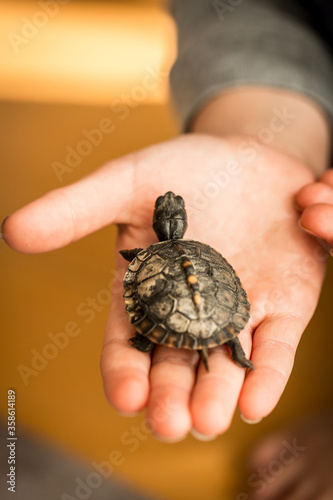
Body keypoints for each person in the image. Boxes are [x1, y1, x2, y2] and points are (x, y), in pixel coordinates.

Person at [1, 0, 333, 442]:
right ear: (178, 221)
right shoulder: (188, 253)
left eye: (169, 208)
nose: (171, 207)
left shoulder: (144, 257)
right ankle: (232, 345)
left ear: (162, 223)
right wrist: (266, 130)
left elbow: (148, 269)